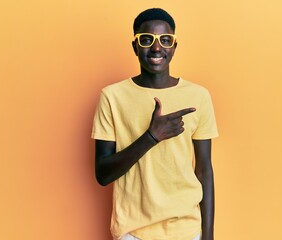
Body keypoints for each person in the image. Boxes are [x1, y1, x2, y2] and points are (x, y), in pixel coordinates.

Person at [92, 8, 218, 240]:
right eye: (147, 39)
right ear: (135, 47)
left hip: (187, 230)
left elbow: (204, 170)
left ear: (174, 47)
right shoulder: (112, 97)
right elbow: (103, 174)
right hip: (133, 231)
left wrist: (208, 236)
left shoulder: (199, 96)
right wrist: (151, 137)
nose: (157, 48)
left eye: (165, 40)